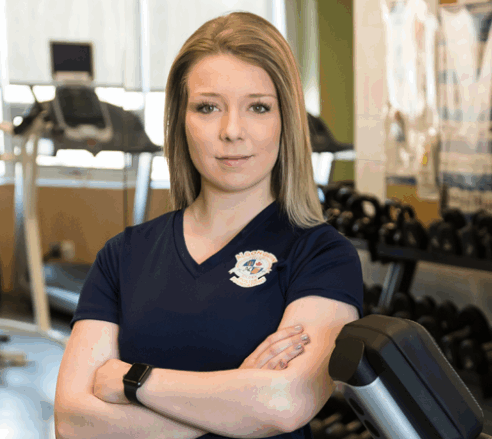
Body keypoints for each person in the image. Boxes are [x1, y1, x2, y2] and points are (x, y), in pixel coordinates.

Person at [54, 11, 363, 439]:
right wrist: (236, 397)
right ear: (182, 120)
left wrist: (133, 382)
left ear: (285, 120)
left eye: (258, 107)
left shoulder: (323, 256)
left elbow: (284, 403)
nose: (231, 131)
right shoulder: (123, 255)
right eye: (207, 107)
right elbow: (73, 422)